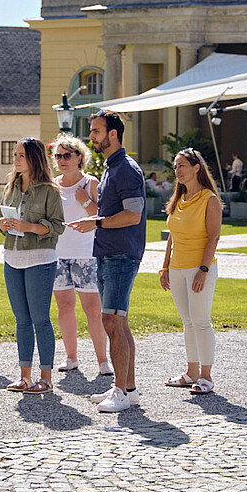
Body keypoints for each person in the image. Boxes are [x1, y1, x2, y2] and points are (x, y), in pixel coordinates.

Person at [68, 109, 147, 413]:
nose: (92, 137)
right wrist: (96, 221)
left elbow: (133, 215)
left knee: (112, 321)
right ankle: (128, 389)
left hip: (120, 254)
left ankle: (121, 392)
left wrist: (96, 223)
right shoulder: (113, 168)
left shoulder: (125, 169)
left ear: (113, 134)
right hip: (109, 253)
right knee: (117, 321)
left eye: (97, 131)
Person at [0, 137, 66, 394]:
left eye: (20, 155)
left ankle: (45, 378)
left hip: (40, 261)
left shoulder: (50, 190)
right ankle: (25, 377)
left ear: (34, 159)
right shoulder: (11, 187)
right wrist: (1, 224)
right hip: (12, 259)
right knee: (21, 320)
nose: (15, 159)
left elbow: (57, 226)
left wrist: (30, 227)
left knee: (40, 319)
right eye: (15, 154)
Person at [160, 147, 222, 395]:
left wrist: (204, 270)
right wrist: (165, 267)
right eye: (175, 167)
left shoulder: (210, 199)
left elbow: (214, 237)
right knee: (187, 322)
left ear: (197, 168)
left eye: (182, 166)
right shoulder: (178, 198)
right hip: (177, 268)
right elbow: (171, 237)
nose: (178, 171)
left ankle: (206, 376)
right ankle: (191, 372)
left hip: (199, 267)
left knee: (201, 321)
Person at [51, 134, 111, 376]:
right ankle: (71, 357)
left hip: (86, 255)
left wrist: (85, 200)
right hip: (58, 255)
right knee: (64, 307)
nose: (62, 160)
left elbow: (102, 218)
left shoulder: (90, 183)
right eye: (58, 156)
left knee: (93, 310)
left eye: (67, 155)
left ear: (79, 158)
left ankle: (103, 361)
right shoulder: (53, 185)